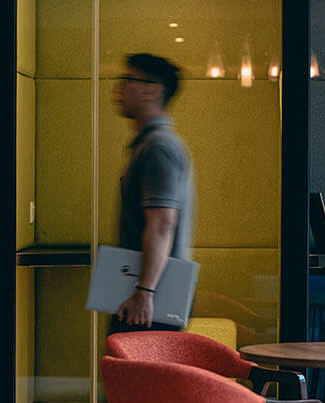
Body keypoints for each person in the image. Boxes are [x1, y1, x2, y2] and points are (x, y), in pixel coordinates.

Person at [109, 53, 195, 334]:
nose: (118, 88)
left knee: (139, 377)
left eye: (127, 80)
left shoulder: (159, 147)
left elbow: (162, 223)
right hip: (140, 295)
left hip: (148, 301)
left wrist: (145, 291)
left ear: (151, 90)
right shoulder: (149, 144)